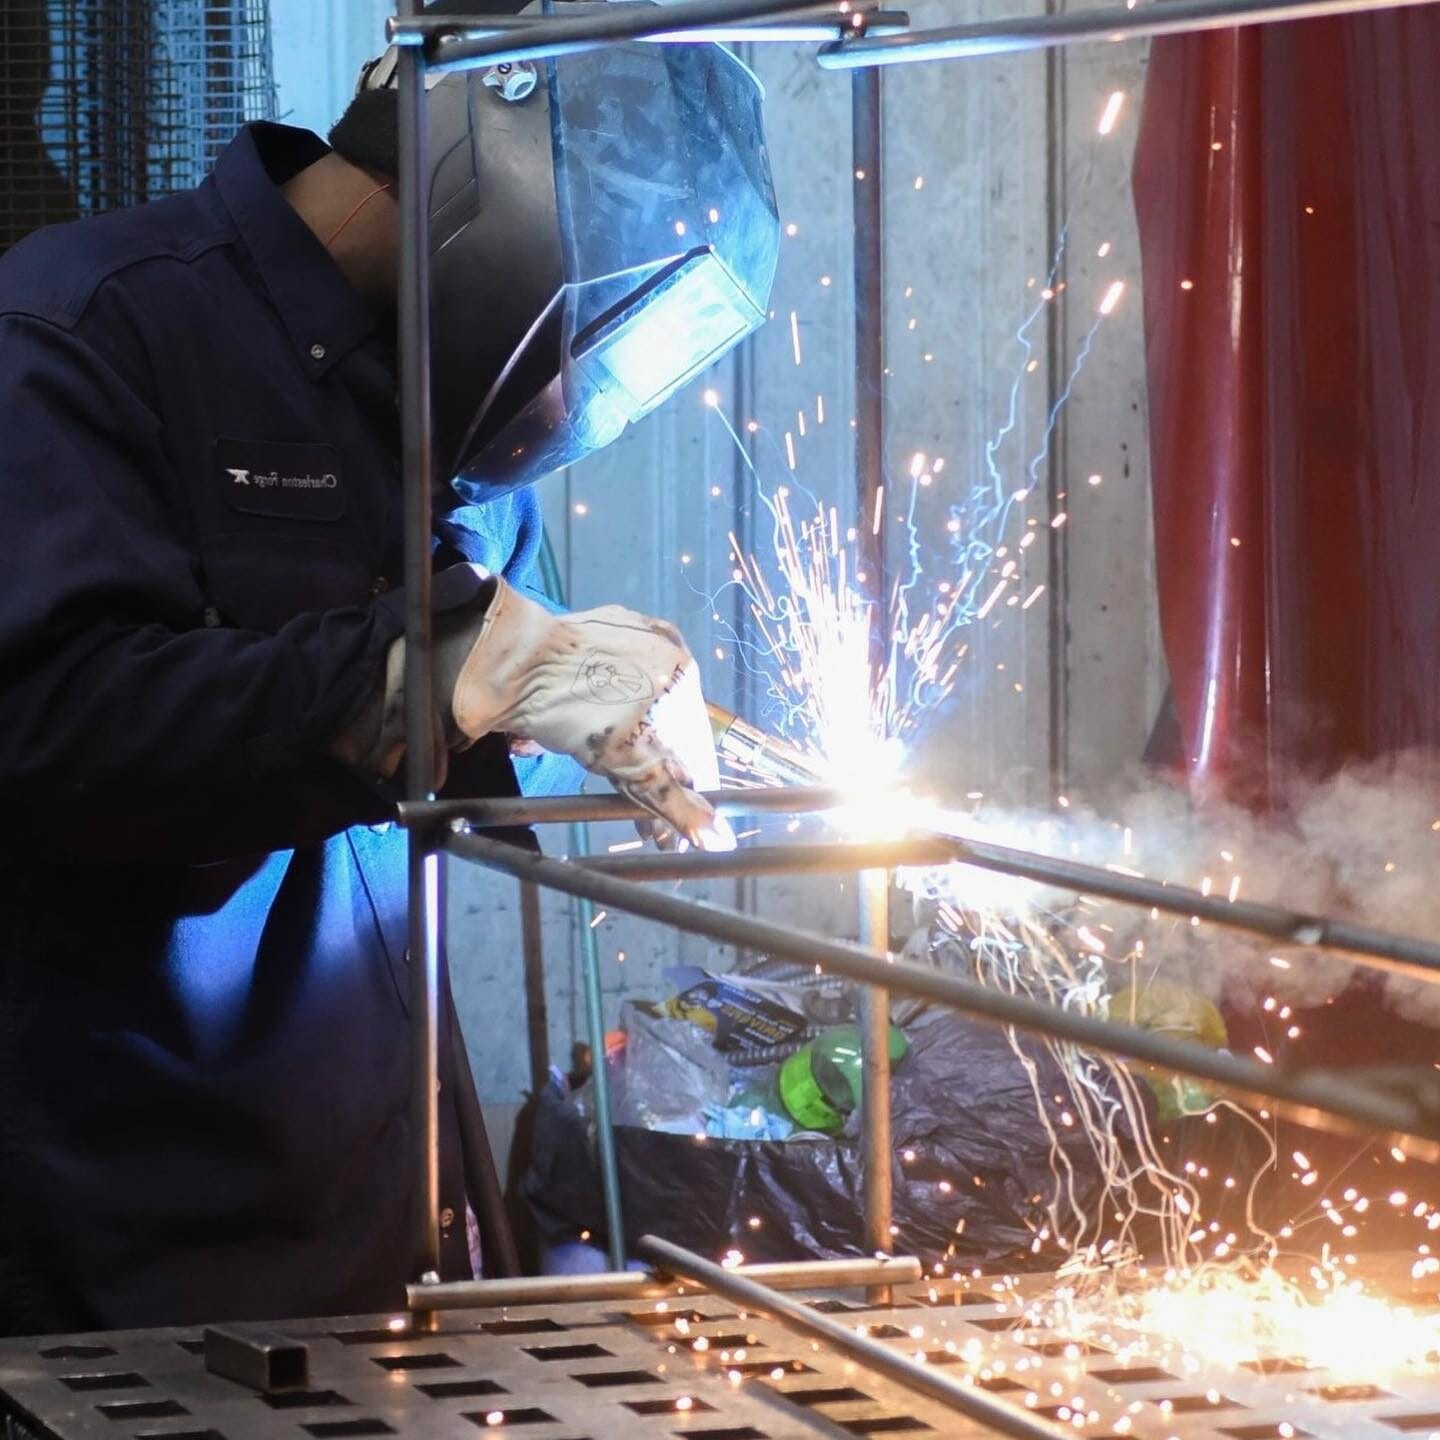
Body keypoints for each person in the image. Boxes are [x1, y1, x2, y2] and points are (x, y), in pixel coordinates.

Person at [0, 27, 777, 1334]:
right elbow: (52, 730)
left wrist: (586, 722)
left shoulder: (443, 418)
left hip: (370, 1240)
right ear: (501, 157)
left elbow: (443, 754)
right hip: (107, 1258)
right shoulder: (82, 329)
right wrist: (434, 672)